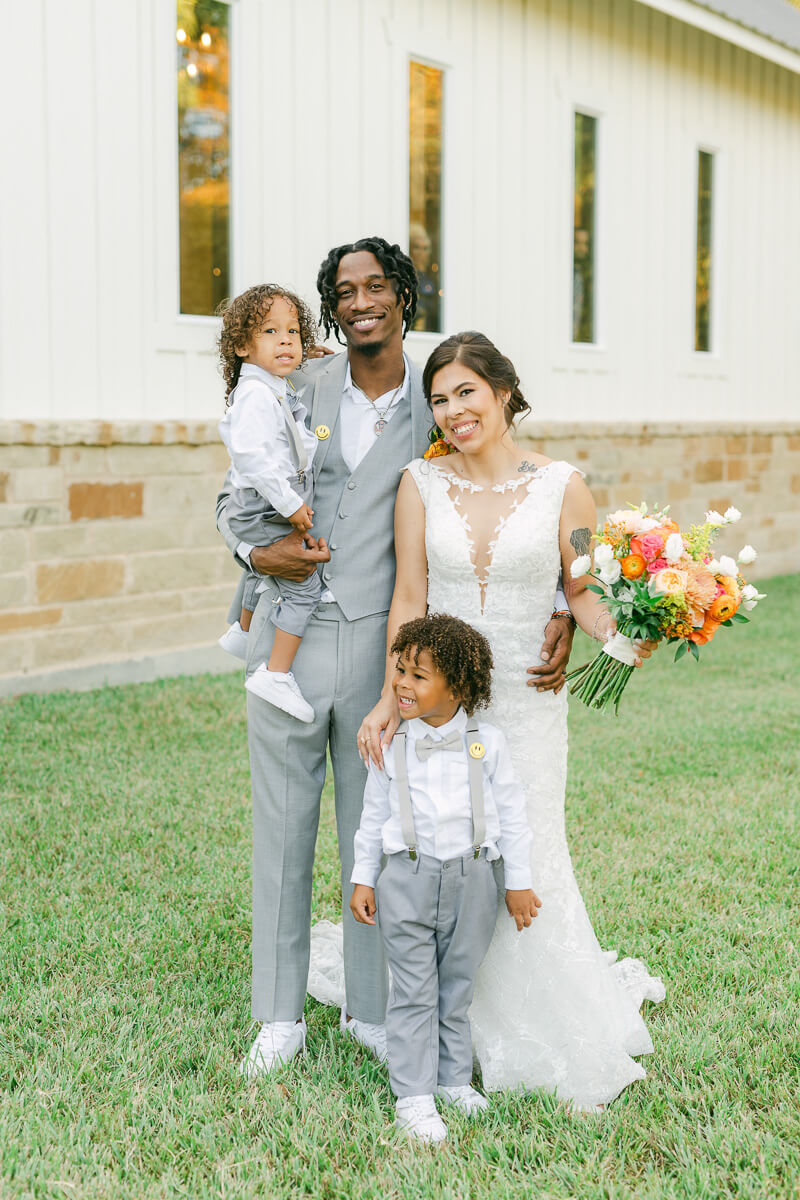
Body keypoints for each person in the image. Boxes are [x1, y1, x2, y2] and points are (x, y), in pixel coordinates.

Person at [215, 242, 575, 1078]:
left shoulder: (441, 396)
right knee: (282, 831)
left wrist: (562, 601)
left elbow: (512, 496)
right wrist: (251, 554)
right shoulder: (292, 383)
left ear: (404, 297)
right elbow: (237, 488)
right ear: (330, 310)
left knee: (374, 835)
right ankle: (278, 1017)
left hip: (388, 656)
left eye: (378, 286)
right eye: (345, 291)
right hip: (290, 641)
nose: (362, 301)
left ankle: (372, 1012)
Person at [358, 331, 665, 1110]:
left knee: (528, 842)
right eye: (439, 398)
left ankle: (532, 1014)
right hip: (443, 706)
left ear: (502, 391)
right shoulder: (418, 483)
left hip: (529, 699)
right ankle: (444, 1017)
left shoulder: (565, 484)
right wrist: (390, 697)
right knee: (448, 841)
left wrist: (621, 634)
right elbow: (409, 601)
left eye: (467, 392)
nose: (455, 411)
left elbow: (585, 585)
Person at [350, 614, 538, 1143]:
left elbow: (513, 817)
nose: (402, 685)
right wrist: (364, 878)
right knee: (412, 989)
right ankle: (413, 1095)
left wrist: (517, 882)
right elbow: (371, 817)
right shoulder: (391, 744)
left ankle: (452, 1079)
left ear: (455, 686)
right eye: (400, 672)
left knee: (456, 985)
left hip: (476, 877)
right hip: (405, 878)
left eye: (418, 676)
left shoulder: (490, 743)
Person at [217, 284, 321, 722]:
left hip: (255, 502)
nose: (286, 340)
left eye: (293, 331)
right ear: (242, 345)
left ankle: (241, 630)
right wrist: (291, 504)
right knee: (305, 583)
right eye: (270, 331)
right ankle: (276, 673)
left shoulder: (270, 385)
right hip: (262, 502)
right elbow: (254, 460)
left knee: (259, 567)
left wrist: (310, 361)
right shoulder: (256, 395)